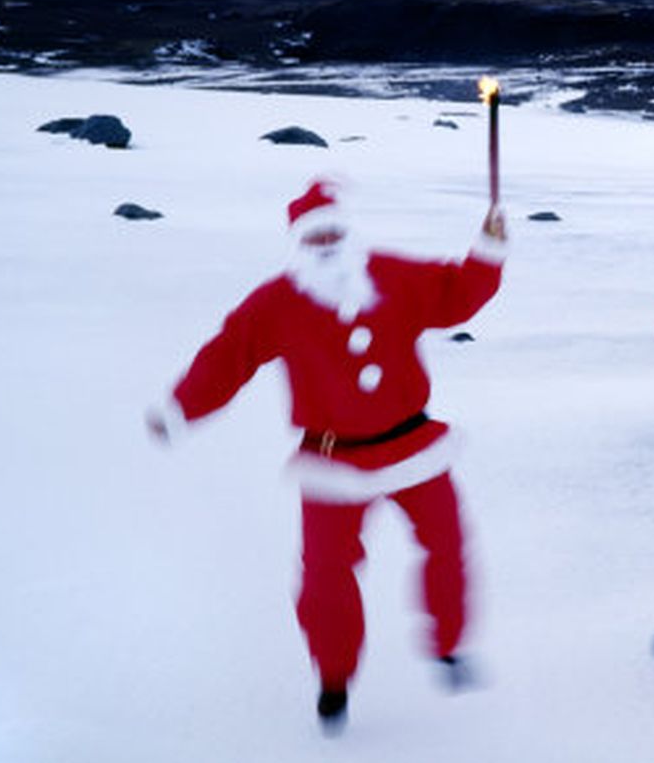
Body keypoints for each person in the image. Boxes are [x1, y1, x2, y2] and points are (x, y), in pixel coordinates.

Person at [147, 178, 507, 732]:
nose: (328, 244)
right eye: (317, 238)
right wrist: (180, 408)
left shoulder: (391, 275)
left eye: (335, 233)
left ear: (350, 231)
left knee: (448, 543)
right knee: (325, 578)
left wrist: (486, 251)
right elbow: (227, 357)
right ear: (299, 245)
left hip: (412, 445)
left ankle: (448, 646)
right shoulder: (277, 303)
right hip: (332, 460)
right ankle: (334, 678)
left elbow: (456, 295)